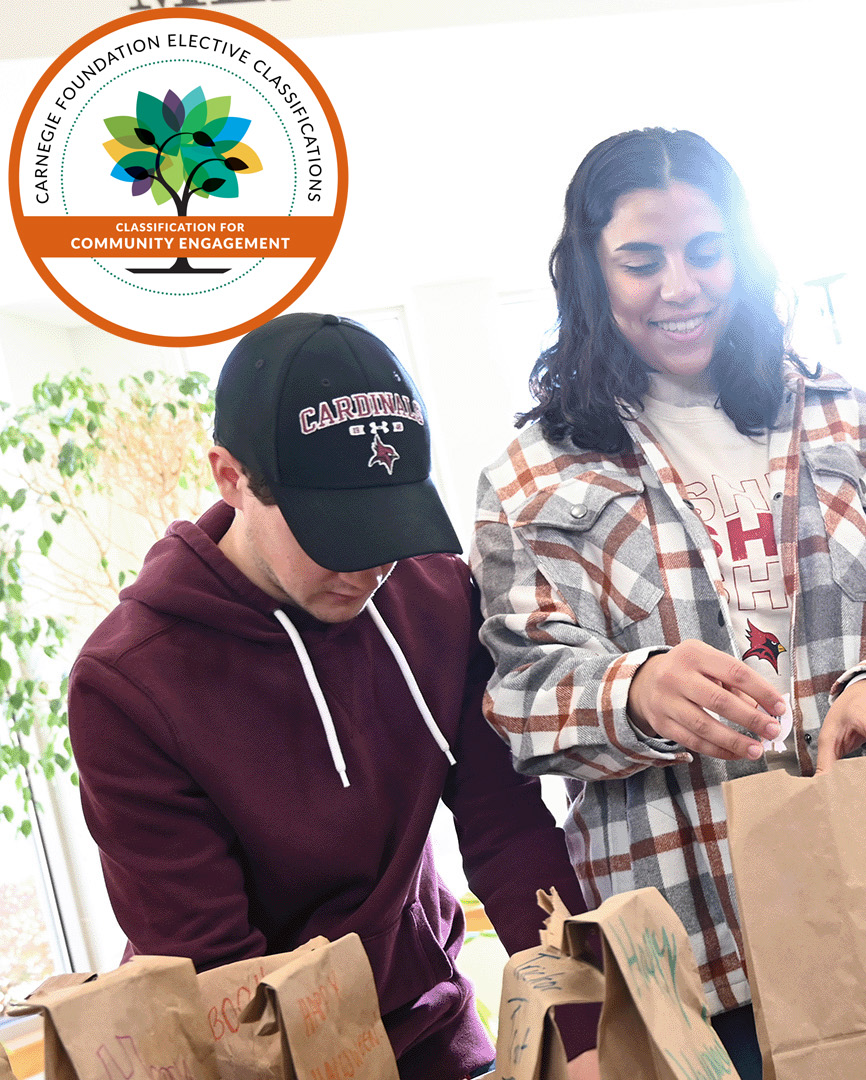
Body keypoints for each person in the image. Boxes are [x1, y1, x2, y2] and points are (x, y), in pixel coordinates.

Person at [472, 128, 866, 1077]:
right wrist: (632, 693)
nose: (681, 286)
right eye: (641, 261)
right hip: (686, 961)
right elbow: (517, 696)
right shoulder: (532, 476)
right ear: (591, 275)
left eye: (706, 252)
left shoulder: (860, 424)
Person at [68, 313, 595, 1080]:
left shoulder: (436, 597)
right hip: (255, 1053)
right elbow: (215, 970)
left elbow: (505, 831)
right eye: (332, 534)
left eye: (386, 527)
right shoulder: (127, 685)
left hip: (434, 1036)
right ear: (231, 477)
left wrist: (583, 1034)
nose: (367, 569)